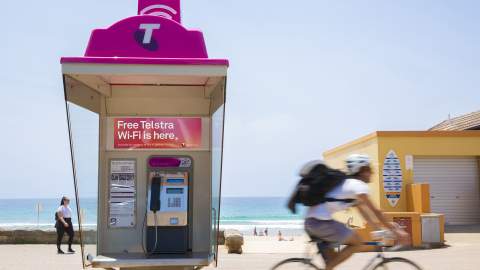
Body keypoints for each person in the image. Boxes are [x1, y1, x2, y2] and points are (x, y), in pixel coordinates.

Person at [303, 154, 409, 270]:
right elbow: (376, 211)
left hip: (312, 223)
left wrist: (377, 228)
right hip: (320, 223)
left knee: (334, 260)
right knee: (357, 242)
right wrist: (396, 231)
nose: (372, 173)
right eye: (369, 169)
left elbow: (365, 213)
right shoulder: (357, 185)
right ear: (361, 170)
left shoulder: (348, 185)